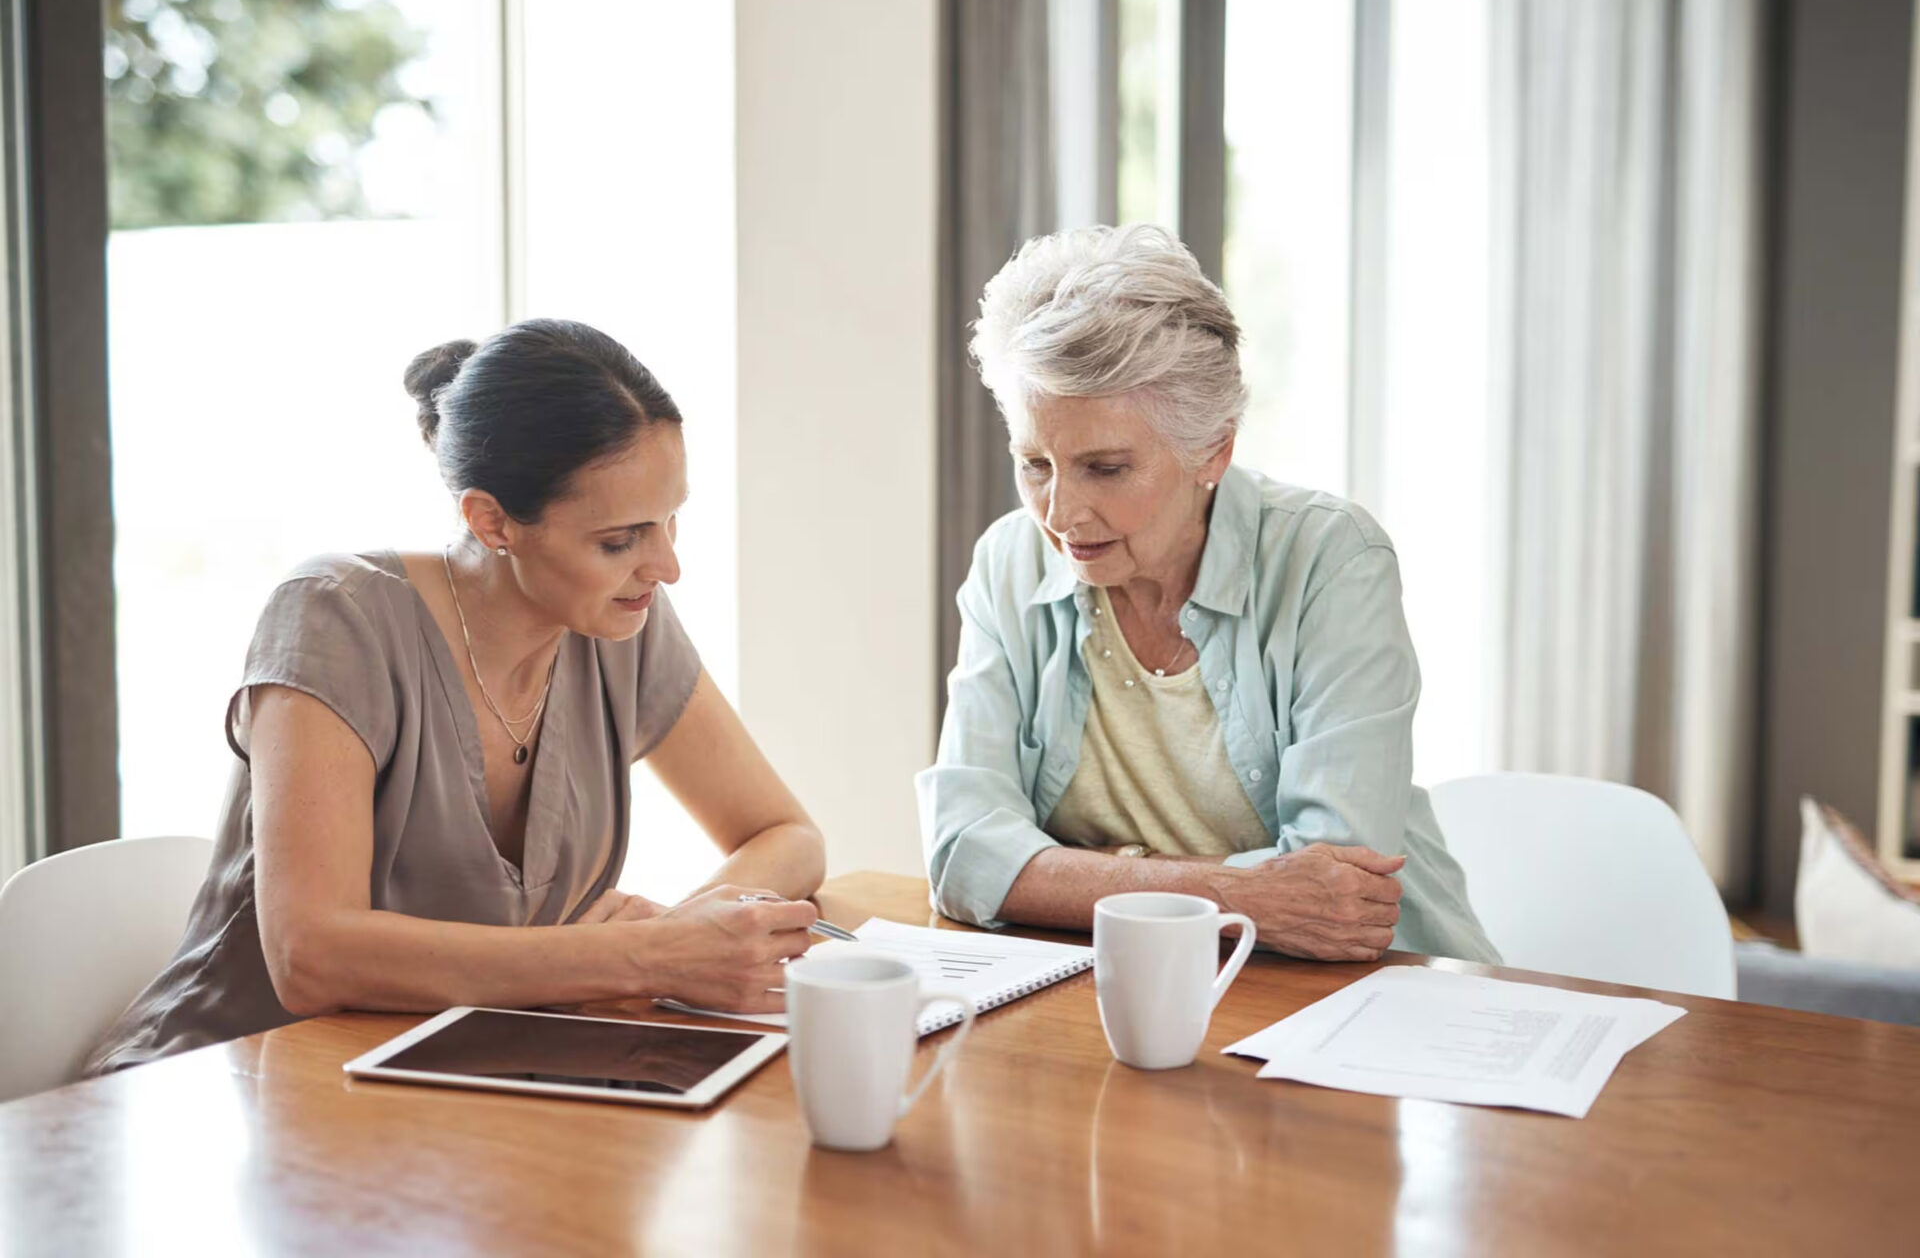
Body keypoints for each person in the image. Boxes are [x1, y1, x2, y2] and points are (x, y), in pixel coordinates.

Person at [88, 319, 824, 1074]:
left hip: (454, 1092)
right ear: (491, 519)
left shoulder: (620, 625)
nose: (666, 566)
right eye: (620, 540)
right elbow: (310, 957)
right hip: (221, 1088)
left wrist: (686, 933)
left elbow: (787, 836)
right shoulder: (336, 617)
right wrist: (637, 957)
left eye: (671, 521)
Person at [918, 225, 1498, 964]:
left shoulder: (1331, 560)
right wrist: (1240, 896)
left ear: (1213, 449)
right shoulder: (1010, 561)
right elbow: (963, 853)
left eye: (1105, 467)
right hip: (1121, 985)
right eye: (1034, 464)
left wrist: (1063, 879)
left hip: (1359, 997)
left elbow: (1336, 890)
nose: (1060, 514)